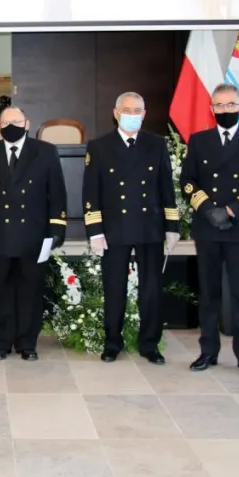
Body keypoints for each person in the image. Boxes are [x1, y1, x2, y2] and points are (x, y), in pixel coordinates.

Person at [180, 83, 239, 378]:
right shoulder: (199, 141)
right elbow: (188, 182)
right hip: (208, 229)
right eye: (219, 105)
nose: (225, 110)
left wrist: (230, 210)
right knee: (209, 294)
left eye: (230, 105)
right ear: (212, 109)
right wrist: (209, 209)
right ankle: (208, 351)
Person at [83, 92, 180, 365]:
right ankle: (112, 342)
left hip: (150, 227)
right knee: (114, 288)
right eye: (127, 110)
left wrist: (172, 227)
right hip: (114, 228)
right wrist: (95, 230)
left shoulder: (156, 144)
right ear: (116, 113)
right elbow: (91, 191)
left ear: (144, 114)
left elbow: (166, 187)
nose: (132, 114)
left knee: (151, 290)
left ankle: (150, 344)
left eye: (137, 110)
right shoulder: (99, 146)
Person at [0, 106, 67, 361]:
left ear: (27, 124)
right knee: (0, 292)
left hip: (34, 235)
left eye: (17, 121)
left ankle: (27, 344)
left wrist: (57, 227)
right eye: (6, 122)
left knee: (30, 292)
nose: (12, 126)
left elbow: (57, 193)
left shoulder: (46, 152)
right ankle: (0, 344)